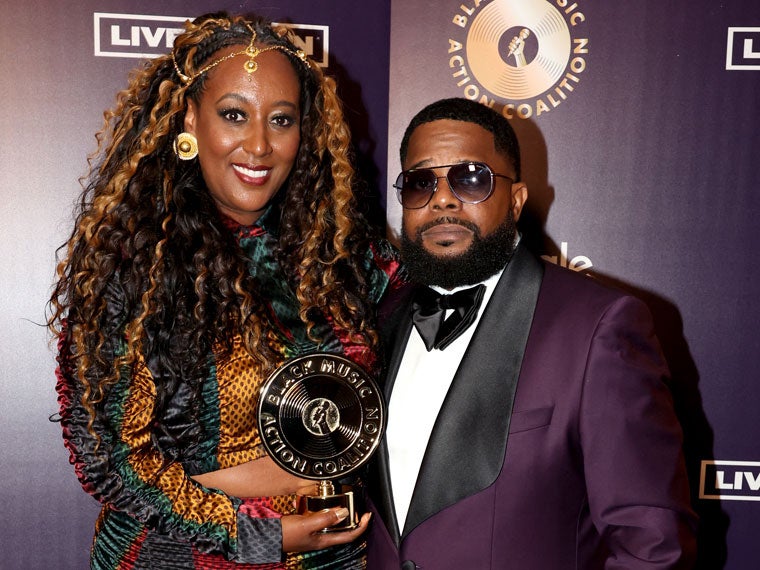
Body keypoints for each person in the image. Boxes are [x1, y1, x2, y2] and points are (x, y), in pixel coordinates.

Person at [48, 12, 402, 569]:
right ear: (190, 117)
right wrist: (260, 537)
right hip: (181, 556)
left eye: (281, 120)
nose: (259, 144)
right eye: (234, 114)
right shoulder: (135, 267)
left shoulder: (345, 257)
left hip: (337, 558)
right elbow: (109, 459)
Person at [366, 97, 698, 569]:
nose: (442, 199)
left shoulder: (598, 328)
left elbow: (654, 547)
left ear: (517, 200)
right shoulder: (379, 322)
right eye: (422, 182)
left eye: (471, 178)